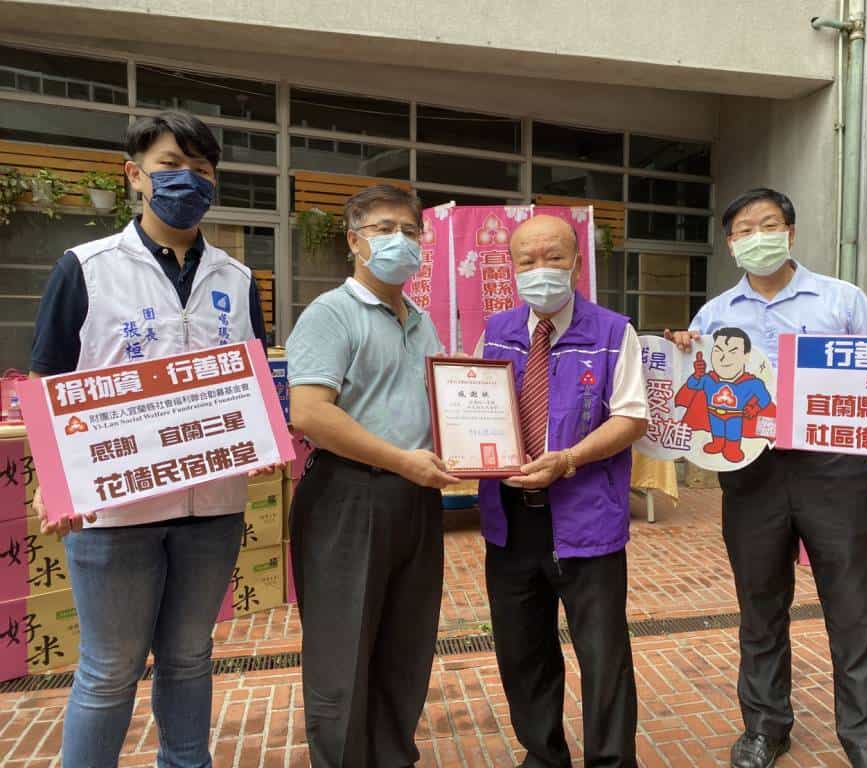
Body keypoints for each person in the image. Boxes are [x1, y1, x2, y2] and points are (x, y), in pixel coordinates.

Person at [29, 111, 271, 768]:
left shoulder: (237, 277)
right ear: (134, 176)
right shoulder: (86, 267)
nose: (186, 179)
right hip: (113, 508)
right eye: (170, 165)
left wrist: (263, 438)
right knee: (110, 669)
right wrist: (54, 480)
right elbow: (47, 380)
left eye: (201, 168)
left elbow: (251, 374)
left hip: (212, 507)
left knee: (190, 657)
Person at [666, 188, 867, 768]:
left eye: (767, 225)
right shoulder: (714, 315)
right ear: (729, 244)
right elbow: (691, 393)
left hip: (834, 469)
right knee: (760, 606)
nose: (756, 237)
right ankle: (765, 728)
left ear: (789, 233)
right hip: (750, 476)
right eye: (743, 230)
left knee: (854, 608)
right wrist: (679, 351)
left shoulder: (842, 300)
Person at [286, 184, 458, 768]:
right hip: (348, 496)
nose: (399, 241)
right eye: (385, 229)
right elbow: (310, 413)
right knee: (343, 648)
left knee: (406, 643)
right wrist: (401, 459)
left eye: (410, 231)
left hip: (415, 498)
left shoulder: (421, 321)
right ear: (354, 240)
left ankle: (392, 756)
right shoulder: (330, 314)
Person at [475, 214, 649, 768]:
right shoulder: (496, 331)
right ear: (512, 268)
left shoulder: (613, 332)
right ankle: (543, 755)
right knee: (522, 650)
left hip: (586, 517)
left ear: (576, 265)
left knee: (603, 654)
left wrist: (569, 459)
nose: (540, 270)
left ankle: (611, 760)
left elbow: (631, 416)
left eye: (553, 258)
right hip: (511, 520)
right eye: (526, 260)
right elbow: (470, 406)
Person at [674, 327, 774, 463]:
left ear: (746, 356)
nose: (723, 358)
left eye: (732, 352)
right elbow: (692, 385)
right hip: (713, 414)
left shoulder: (752, 383)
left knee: (733, 434)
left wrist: (755, 408)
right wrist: (697, 375)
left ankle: (732, 448)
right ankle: (717, 443)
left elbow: (765, 398)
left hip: (735, 416)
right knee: (717, 431)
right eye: (718, 351)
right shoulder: (708, 378)